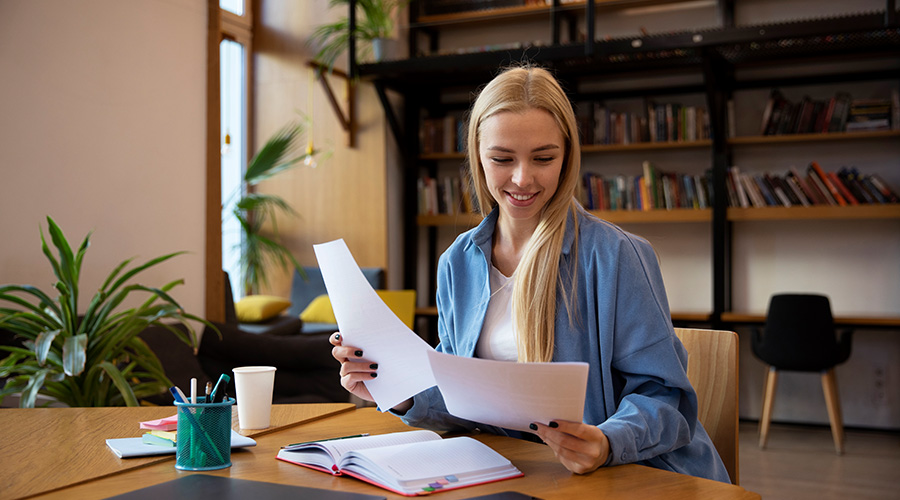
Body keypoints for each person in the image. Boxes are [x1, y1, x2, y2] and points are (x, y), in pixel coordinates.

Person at [331, 65, 730, 483]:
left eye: (544, 158)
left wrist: (607, 441)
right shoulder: (458, 262)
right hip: (522, 470)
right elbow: (465, 396)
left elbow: (665, 398)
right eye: (502, 159)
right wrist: (397, 391)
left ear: (568, 156)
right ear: (478, 158)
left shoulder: (616, 256)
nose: (523, 178)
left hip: (632, 475)